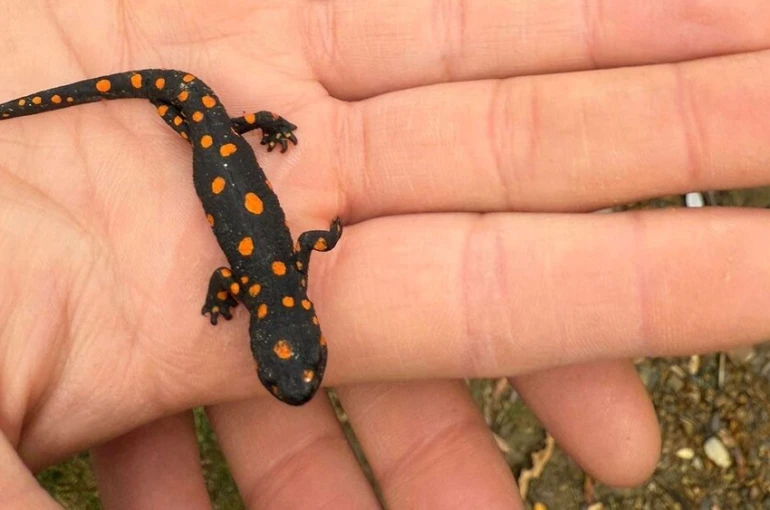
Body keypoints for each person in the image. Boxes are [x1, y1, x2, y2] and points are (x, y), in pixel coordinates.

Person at [1, 2, 768, 508]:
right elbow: (299, 241)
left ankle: (212, 122)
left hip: (215, 135)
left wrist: (237, 270)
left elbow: (291, 246)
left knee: (203, 126)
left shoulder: (273, 281)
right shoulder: (272, 279)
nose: (290, 376)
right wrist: (238, 276)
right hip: (211, 131)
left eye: (281, 369)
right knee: (197, 122)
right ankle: (60, 105)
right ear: (303, 325)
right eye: (295, 367)